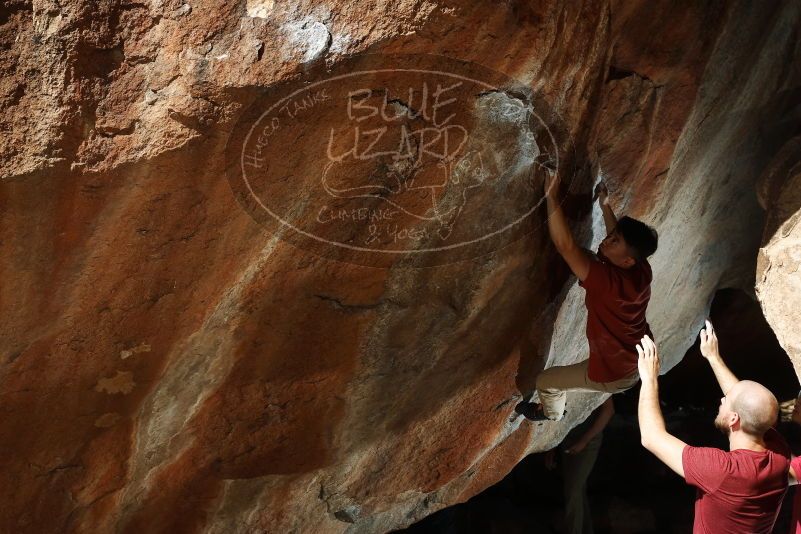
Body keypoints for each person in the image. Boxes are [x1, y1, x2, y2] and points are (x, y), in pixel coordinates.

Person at [516, 171, 658, 421]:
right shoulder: (640, 268)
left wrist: (551, 196)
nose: (607, 240)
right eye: (612, 237)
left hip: (616, 373)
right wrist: (605, 206)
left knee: (546, 381)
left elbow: (566, 246)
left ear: (627, 260)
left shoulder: (608, 283)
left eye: (614, 242)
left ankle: (552, 414)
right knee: (598, 256)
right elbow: (619, 237)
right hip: (636, 356)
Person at [637, 320, 791, 534]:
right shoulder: (779, 455)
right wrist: (713, 357)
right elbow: (745, 403)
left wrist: (649, 378)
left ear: (733, 419)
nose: (721, 399)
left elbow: (651, 437)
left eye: (726, 401)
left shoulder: (723, 471)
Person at [544, 397, 614, 534]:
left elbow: (608, 411)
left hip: (588, 441)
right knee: (578, 490)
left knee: (573, 492)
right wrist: (552, 447)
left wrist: (585, 440)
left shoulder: (599, 378)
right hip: (568, 438)